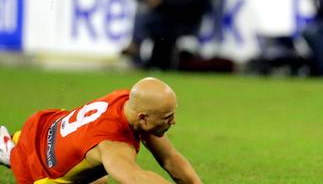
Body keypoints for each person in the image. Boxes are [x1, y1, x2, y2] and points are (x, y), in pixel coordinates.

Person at [0, 77, 202, 184]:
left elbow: (170, 159)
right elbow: (135, 179)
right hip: (40, 171)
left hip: (44, 126)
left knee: (97, 175)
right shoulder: (112, 146)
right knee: (99, 180)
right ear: (143, 118)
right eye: (168, 117)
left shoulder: (129, 102)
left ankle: (17, 144)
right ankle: (10, 152)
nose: (173, 122)